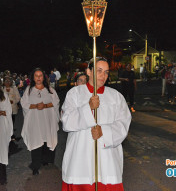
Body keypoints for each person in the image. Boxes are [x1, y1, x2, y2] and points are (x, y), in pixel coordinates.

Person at [61, 57, 131, 191]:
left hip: (107, 161)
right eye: (99, 70)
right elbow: (66, 122)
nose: (103, 75)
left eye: (106, 72)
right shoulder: (74, 94)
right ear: (88, 71)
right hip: (79, 161)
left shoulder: (116, 96)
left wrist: (104, 132)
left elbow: (123, 124)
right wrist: (88, 108)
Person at [21, 68, 60, 175]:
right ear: (33, 78)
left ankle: (46, 161)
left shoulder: (50, 89)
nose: (38, 78)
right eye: (36, 76)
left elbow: (56, 102)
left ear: (44, 77)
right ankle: (35, 165)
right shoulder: (29, 90)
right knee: (36, 141)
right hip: (35, 120)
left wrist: (45, 105)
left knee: (47, 138)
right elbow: (24, 103)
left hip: (47, 119)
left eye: (40, 75)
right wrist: (35, 106)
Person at [0, 85, 13, 185]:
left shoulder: (3, 96)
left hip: (2, 127)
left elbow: (8, 111)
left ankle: (2, 178)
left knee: (1, 152)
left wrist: (2, 112)